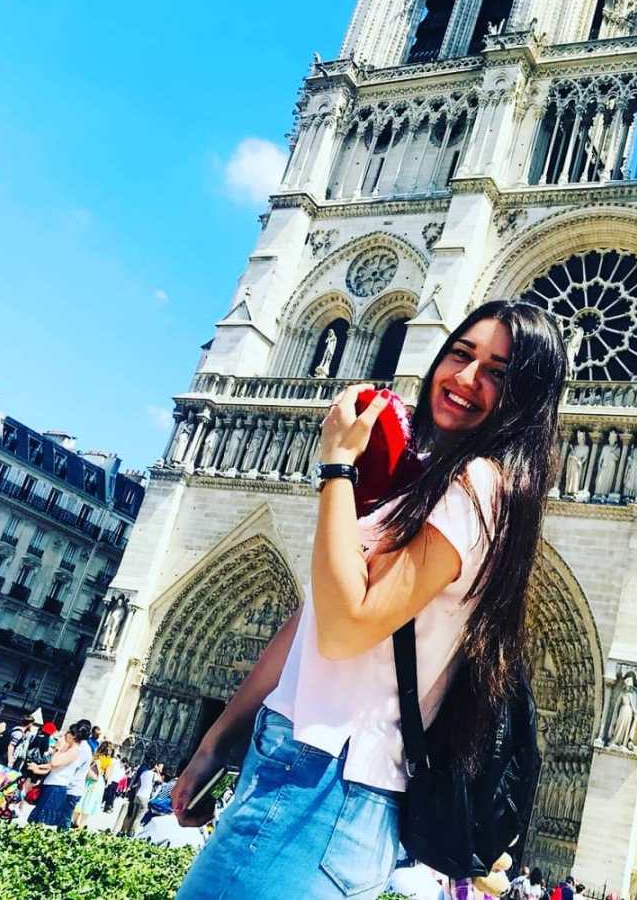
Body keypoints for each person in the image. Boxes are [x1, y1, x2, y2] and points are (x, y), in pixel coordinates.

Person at [173, 301, 568, 900]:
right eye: (461, 354)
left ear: (526, 397)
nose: (466, 378)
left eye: (497, 372)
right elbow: (313, 620)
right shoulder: (432, 475)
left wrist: (337, 467)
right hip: (302, 769)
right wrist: (219, 738)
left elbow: (345, 628)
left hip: (323, 786)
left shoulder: (479, 486)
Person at [26, 719, 92, 827]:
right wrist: (37, 768)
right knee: (37, 819)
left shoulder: (76, 750)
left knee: (45, 820)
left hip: (58, 786)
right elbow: (54, 766)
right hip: (53, 784)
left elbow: (54, 763)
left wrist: (58, 749)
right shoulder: (72, 748)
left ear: (73, 736)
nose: (65, 735)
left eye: (68, 732)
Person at [123, 761, 162, 835]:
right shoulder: (154, 774)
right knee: (139, 817)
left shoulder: (144, 773)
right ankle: (131, 832)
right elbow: (160, 781)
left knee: (133, 815)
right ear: (155, 766)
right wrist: (157, 771)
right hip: (145, 797)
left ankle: (127, 830)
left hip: (138, 795)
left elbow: (138, 784)